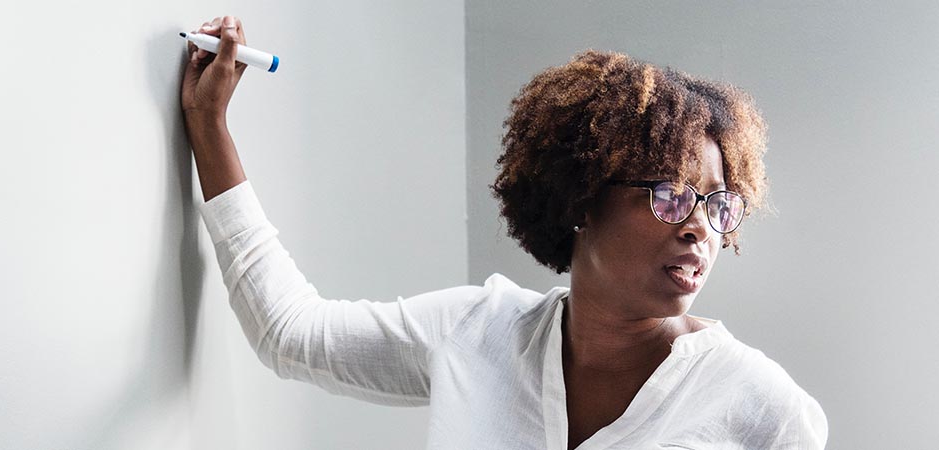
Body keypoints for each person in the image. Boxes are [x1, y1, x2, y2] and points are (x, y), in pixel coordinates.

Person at [181, 15, 828, 450]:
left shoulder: (763, 409)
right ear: (582, 199)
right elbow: (290, 335)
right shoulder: (476, 333)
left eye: (717, 206)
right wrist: (210, 126)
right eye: (668, 195)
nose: (699, 231)